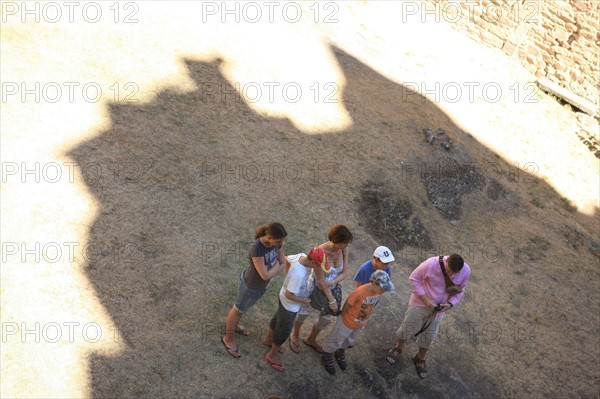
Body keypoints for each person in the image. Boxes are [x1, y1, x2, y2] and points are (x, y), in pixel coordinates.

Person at [386, 253, 470, 379]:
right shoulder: (430, 264)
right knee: (406, 328)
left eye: (455, 274)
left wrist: (451, 304)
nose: (451, 275)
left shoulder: (466, 270)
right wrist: (425, 299)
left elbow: (461, 290)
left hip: (438, 310)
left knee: (430, 336)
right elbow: (414, 279)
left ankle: (419, 358)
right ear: (446, 262)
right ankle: (398, 348)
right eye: (449, 271)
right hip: (420, 303)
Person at [222, 222, 287, 358]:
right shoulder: (256, 249)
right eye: (279, 241)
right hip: (250, 286)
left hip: (261, 286)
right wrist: (277, 266)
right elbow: (265, 275)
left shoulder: (278, 244)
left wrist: (275, 267)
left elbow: (283, 262)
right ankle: (228, 339)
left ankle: (235, 326)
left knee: (243, 309)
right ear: (269, 237)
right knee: (237, 310)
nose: (281, 244)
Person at [289, 224, 353, 354]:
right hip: (315, 290)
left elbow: (345, 272)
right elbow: (321, 282)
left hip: (332, 288)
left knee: (326, 319)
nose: (346, 246)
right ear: (336, 241)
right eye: (344, 243)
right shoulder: (320, 252)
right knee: (304, 313)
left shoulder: (344, 250)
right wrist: (332, 301)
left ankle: (311, 339)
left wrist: (332, 282)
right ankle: (294, 335)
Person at [262, 247, 328, 372]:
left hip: (283, 299)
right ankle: (271, 355)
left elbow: (286, 259)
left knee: (277, 319)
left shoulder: (300, 256)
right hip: (289, 306)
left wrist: (288, 276)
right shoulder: (300, 274)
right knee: (284, 331)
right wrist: (304, 301)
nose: (319, 269)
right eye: (319, 266)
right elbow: (289, 294)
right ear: (313, 262)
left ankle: (268, 339)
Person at [321, 270, 395, 375]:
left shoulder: (378, 292)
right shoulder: (359, 292)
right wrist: (342, 318)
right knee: (337, 338)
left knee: (350, 339)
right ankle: (327, 354)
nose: (384, 291)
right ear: (374, 283)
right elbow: (348, 304)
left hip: (361, 323)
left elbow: (373, 305)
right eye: (383, 288)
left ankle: (340, 351)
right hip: (347, 322)